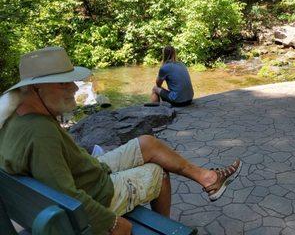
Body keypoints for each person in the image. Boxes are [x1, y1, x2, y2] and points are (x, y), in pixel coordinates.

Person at [0, 47, 242, 235]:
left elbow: (55, 174)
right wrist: (113, 223)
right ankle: (166, 228)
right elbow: (66, 196)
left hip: (89, 171)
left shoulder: (14, 118)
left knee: (147, 142)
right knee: (158, 173)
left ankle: (208, 178)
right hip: (98, 191)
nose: (75, 87)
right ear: (37, 88)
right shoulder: (41, 133)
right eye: (65, 82)